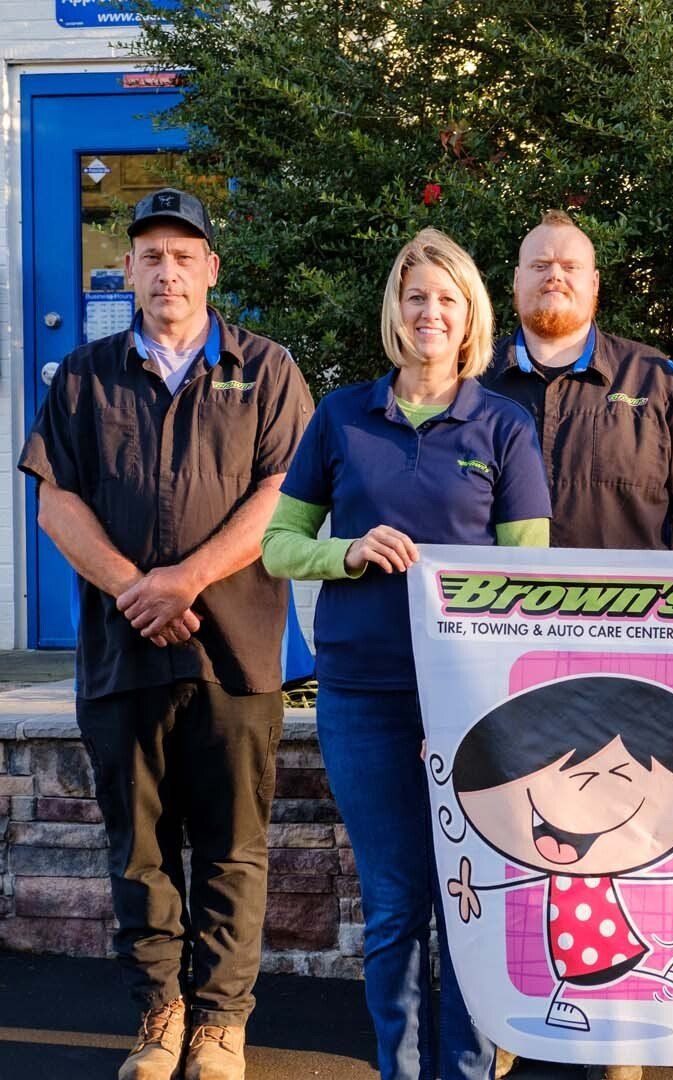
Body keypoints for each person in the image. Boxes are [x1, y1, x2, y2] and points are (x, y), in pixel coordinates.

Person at [20, 187, 313, 1080]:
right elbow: (54, 501)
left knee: (232, 845)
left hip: (237, 652)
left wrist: (184, 580)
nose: (167, 269)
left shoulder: (267, 369)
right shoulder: (83, 375)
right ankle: (160, 1016)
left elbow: (282, 497)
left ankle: (223, 1024)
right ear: (130, 272)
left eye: (184, 254)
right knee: (139, 848)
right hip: (124, 653)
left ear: (212, 270)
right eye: (149, 254)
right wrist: (134, 590)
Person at [261, 228, 551, 1080]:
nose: (430, 313)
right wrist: (345, 552)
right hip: (364, 696)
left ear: (471, 319)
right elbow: (280, 546)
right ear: (396, 308)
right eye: (416, 296)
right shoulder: (343, 415)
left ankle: (464, 1069)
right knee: (395, 906)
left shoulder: (503, 423)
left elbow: (527, 572)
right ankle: (399, 1069)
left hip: (471, 704)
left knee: (468, 900)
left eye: (447, 300)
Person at [482, 210, 673, 551]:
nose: (554, 275)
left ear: (595, 283)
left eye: (570, 267)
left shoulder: (653, 376)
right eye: (540, 265)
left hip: (633, 602)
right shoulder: (473, 378)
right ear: (516, 280)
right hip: (498, 602)